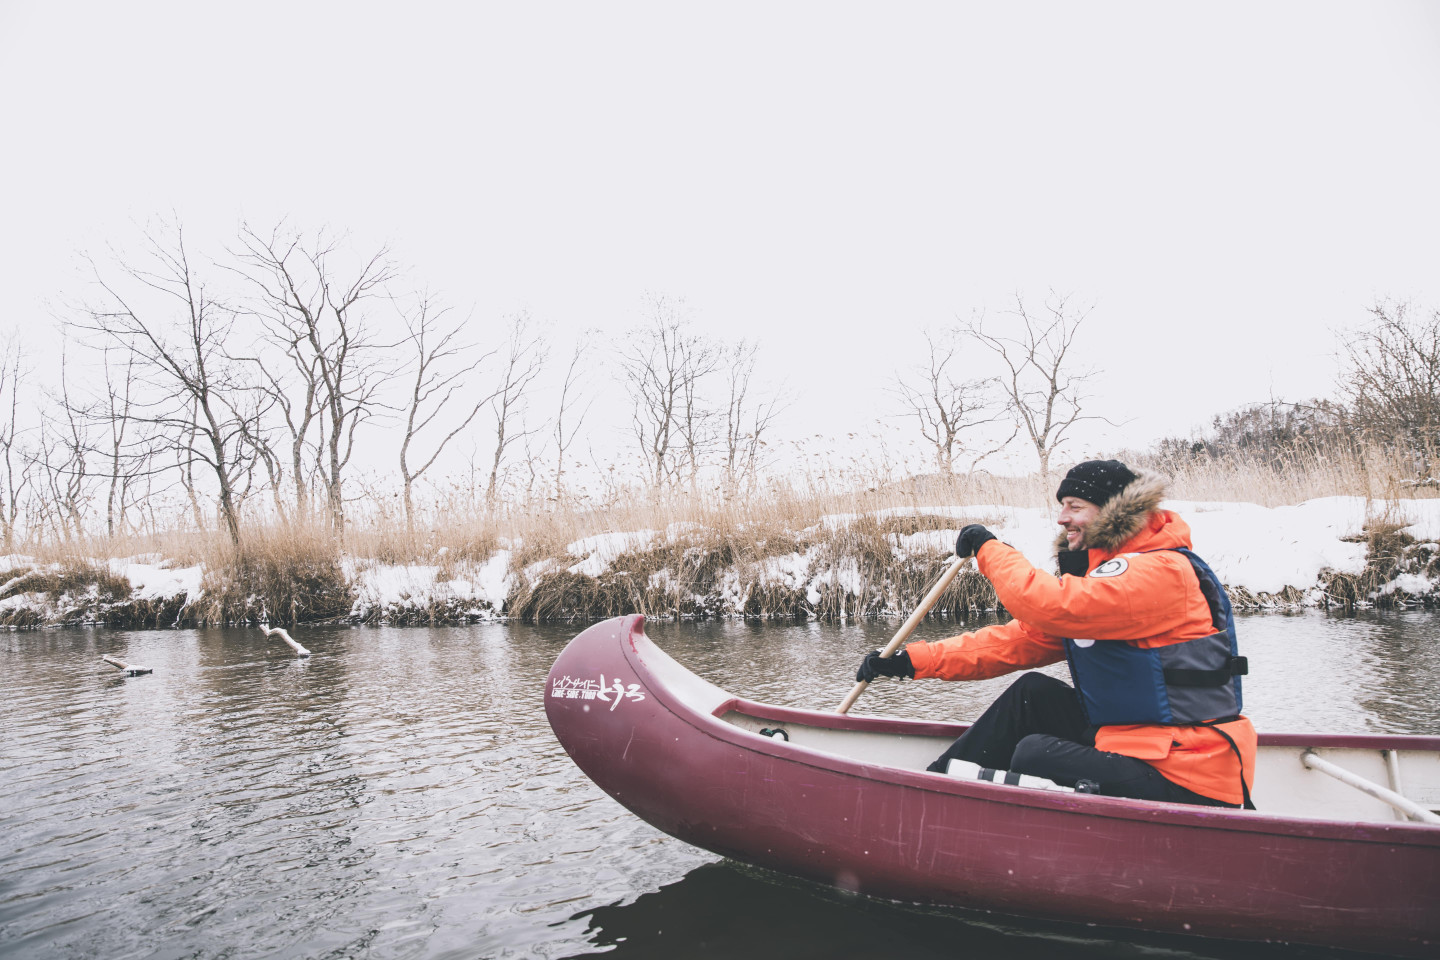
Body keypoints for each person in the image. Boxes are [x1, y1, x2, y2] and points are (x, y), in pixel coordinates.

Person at [856, 460, 1255, 808]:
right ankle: (932, 790)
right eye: (1061, 507)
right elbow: (1016, 642)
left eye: (1074, 507)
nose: (1062, 518)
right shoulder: (1106, 580)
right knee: (1032, 694)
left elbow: (1050, 604)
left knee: (1036, 753)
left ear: (1114, 513)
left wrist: (990, 550)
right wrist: (911, 662)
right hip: (1135, 745)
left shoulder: (1160, 572)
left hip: (1184, 774)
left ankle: (972, 818)